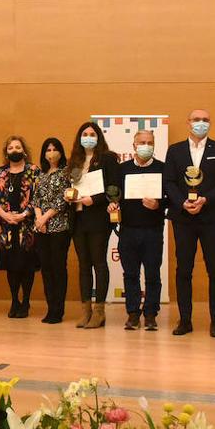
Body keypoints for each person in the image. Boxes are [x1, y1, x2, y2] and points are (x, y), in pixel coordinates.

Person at [163, 109, 215, 337]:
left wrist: (206, 199)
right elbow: (169, 182)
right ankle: (185, 320)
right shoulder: (175, 150)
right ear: (188, 122)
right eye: (196, 120)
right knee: (184, 269)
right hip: (183, 218)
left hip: (212, 218)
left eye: (205, 120)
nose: (201, 123)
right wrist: (182, 203)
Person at [67, 122, 120, 329]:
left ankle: (99, 312)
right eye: (84, 134)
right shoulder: (75, 161)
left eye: (92, 134)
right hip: (78, 219)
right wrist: (69, 196)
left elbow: (114, 188)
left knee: (99, 263)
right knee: (83, 265)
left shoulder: (107, 158)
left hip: (98, 219)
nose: (88, 137)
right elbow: (71, 186)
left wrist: (95, 200)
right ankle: (85, 311)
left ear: (98, 137)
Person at [113, 130, 167, 331]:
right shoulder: (122, 169)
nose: (146, 145)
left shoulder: (163, 168)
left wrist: (158, 205)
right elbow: (114, 195)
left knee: (153, 274)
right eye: (142, 142)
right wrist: (113, 205)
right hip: (128, 230)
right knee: (131, 274)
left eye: (150, 142)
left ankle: (151, 313)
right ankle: (133, 313)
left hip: (153, 230)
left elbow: (170, 198)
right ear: (134, 146)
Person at [0, 136, 41, 318]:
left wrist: (23, 214)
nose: (14, 150)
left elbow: (39, 197)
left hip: (27, 227)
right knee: (11, 265)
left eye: (18, 147)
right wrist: (4, 214)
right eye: (11, 147)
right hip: (5, 227)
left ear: (24, 151)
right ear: (6, 152)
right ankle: (14, 300)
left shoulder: (34, 171)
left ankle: (26, 301)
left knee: (26, 265)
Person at [33, 137, 72, 324]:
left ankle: (58, 310)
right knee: (46, 269)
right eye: (47, 149)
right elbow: (36, 199)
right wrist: (39, 218)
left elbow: (62, 200)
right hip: (41, 229)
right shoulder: (41, 174)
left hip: (59, 227)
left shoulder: (66, 173)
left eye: (54, 149)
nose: (51, 153)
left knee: (58, 268)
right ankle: (50, 308)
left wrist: (46, 217)